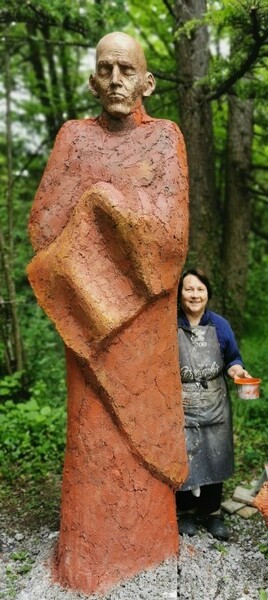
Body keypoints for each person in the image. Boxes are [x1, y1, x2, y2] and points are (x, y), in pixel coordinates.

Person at [27, 32, 189, 595]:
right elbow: (44, 228)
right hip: (90, 324)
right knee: (93, 431)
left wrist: (108, 204)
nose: (116, 78)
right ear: (94, 81)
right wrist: (96, 216)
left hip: (144, 325)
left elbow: (172, 236)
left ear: (146, 81)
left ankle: (149, 546)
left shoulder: (166, 139)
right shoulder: (73, 139)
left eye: (127, 68)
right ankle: (88, 558)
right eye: (106, 68)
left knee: (146, 429)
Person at [176, 268, 251, 540]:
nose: (195, 295)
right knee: (184, 455)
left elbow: (234, 358)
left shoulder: (220, 325)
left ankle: (212, 513)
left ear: (207, 293)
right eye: (189, 289)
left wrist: (237, 371)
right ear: (180, 294)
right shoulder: (169, 325)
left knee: (215, 454)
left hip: (215, 401)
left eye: (200, 289)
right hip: (181, 403)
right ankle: (185, 512)